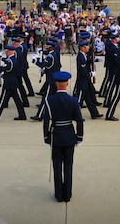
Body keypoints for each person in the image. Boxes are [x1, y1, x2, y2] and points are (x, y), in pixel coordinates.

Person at [43, 71, 84, 202]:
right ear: (67, 84)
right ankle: (68, 195)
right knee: (68, 166)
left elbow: (46, 120)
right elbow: (79, 120)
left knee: (57, 167)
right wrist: (79, 137)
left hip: (56, 136)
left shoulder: (49, 100)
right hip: (69, 136)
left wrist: (46, 137)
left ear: (56, 84)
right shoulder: (73, 101)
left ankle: (59, 195)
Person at [0, 45, 27, 121]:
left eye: (7, 51)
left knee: (2, 101)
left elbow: (0, 69)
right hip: (13, 83)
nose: (6, 53)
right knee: (17, 101)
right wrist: (1, 58)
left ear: (10, 52)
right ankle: (22, 115)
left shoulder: (9, 61)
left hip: (9, 84)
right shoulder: (14, 59)